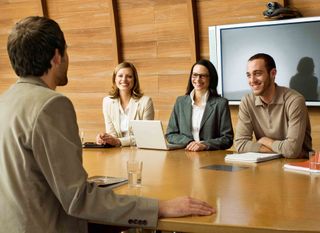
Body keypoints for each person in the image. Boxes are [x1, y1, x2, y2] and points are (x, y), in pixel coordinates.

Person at [0, 16, 215, 233]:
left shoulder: (4, 101)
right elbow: (78, 199)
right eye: (66, 51)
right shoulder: (52, 105)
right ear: (57, 56)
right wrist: (159, 207)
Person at [234, 53, 312, 158]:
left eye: (257, 74)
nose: (252, 80)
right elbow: (240, 144)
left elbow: (292, 150)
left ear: (273, 73)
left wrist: (266, 141)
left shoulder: (295, 101)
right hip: (266, 163)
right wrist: (274, 150)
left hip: (297, 165)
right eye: (249, 75)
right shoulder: (247, 101)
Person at [166, 59, 234, 151]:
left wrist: (205, 145)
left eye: (203, 76)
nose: (197, 79)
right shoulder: (180, 102)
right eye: (195, 75)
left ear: (211, 78)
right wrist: (190, 142)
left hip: (210, 159)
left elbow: (227, 139)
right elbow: (170, 134)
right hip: (184, 157)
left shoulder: (221, 104)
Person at [96, 62, 154, 147]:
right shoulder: (107, 101)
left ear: (135, 80)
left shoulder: (146, 102)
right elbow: (112, 134)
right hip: (116, 152)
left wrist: (118, 141)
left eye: (129, 76)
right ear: (114, 79)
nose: (124, 80)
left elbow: (144, 136)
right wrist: (105, 138)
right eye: (120, 76)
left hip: (139, 152)